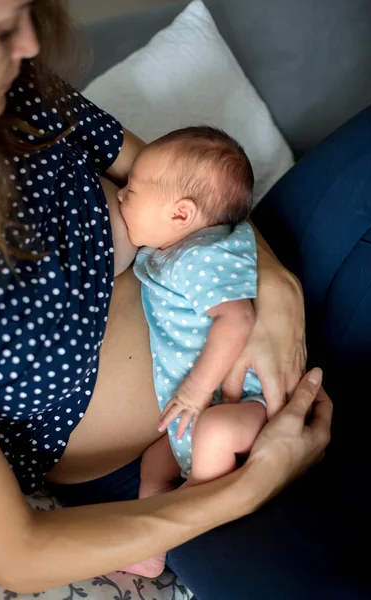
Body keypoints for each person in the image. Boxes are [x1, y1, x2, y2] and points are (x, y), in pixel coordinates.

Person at [0, 1, 364, 599]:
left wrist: (276, 285)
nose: (30, 42)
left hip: (254, 285)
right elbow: (17, 553)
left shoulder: (19, 94)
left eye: (26, 11)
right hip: (181, 463)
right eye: (2, 29)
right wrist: (250, 485)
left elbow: (178, 178)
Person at [115, 127, 268, 577]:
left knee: (216, 433)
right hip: (192, 420)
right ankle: (150, 548)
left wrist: (198, 391)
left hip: (242, 406)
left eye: (132, 190)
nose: (121, 195)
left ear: (181, 214)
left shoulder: (202, 255)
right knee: (154, 462)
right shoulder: (175, 251)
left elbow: (237, 319)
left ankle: (196, 507)